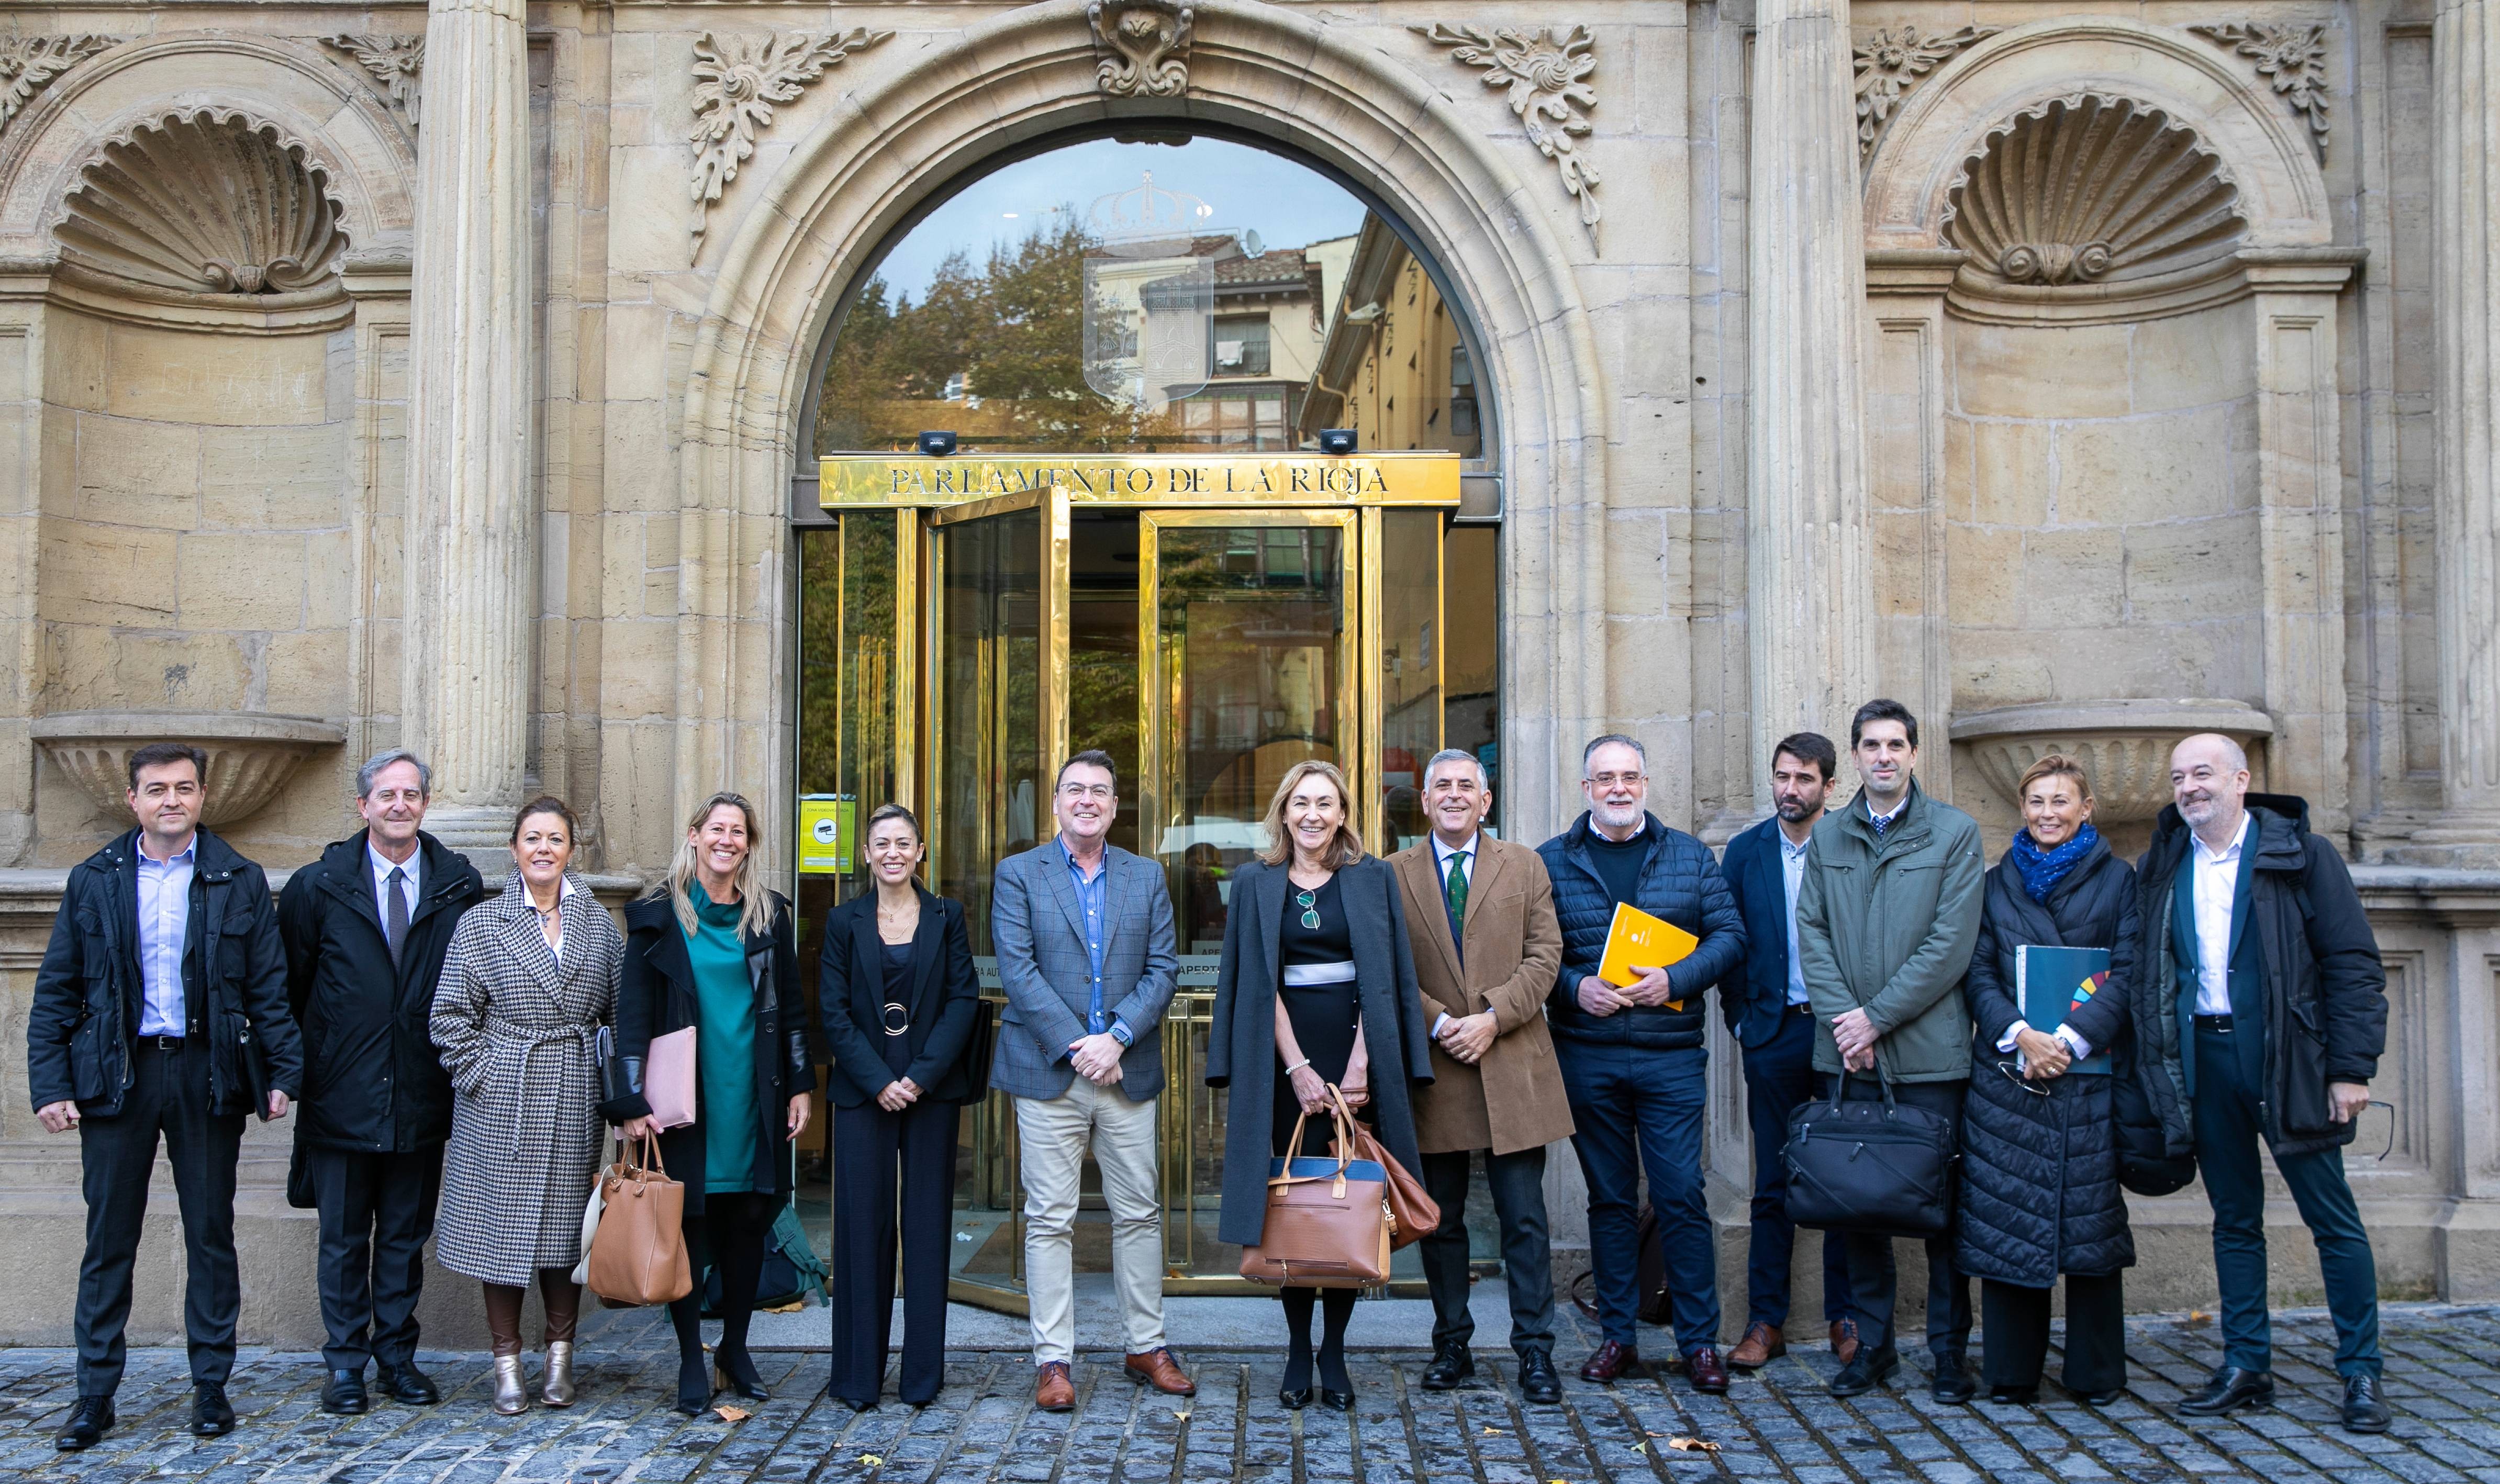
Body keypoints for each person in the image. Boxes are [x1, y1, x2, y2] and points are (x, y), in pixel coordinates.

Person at [28, 742, 303, 1452]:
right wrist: (51, 1084)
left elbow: (268, 986)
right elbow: (57, 988)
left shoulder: (238, 878)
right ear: (133, 800)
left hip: (207, 1072)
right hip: (117, 1075)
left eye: (183, 787)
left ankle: (210, 1385)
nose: (171, 800)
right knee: (107, 1238)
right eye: (156, 789)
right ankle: (95, 1395)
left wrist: (283, 1073)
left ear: (202, 796)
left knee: (210, 1232)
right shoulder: (94, 878)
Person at [2127, 734, 2391, 1433]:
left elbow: (2353, 965)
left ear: (2241, 780)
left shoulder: (2301, 855)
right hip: (2204, 1058)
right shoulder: (2164, 861)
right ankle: (2248, 1365)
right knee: (2235, 1219)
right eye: (2179, 777)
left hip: (2290, 1061)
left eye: (2203, 773)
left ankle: (2361, 1370)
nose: (2189, 787)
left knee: (2332, 1219)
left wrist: (2350, 1068)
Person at [1209, 761, 1434, 1411]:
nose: (1313, 814)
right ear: (1284, 812)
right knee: (1293, 1205)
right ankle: (1296, 1349)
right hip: (1282, 1063)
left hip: (1357, 1053)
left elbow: (1384, 976)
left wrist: (1362, 1064)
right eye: (1301, 802)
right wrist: (1297, 1068)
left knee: (1348, 1201)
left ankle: (1333, 1351)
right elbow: (1257, 982)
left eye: (1325, 803)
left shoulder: (1373, 877)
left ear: (1342, 815)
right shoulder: (1253, 881)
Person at [277, 749, 485, 1415]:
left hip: (421, 1089)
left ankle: (396, 1358)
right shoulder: (318, 886)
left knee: (403, 1235)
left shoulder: (458, 885)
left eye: (411, 795)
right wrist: (305, 1067)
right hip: (341, 1091)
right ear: (363, 804)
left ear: (425, 804)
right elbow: (291, 987)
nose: (400, 805)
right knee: (343, 1238)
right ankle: (345, 1364)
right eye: (387, 795)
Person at [1536, 734, 1745, 1394]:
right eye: (1605, 778)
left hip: (1670, 1056)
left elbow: (1731, 937)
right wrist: (1575, 988)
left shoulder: (1688, 856)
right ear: (1586, 789)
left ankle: (1699, 1343)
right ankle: (1618, 1338)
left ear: (1647, 785)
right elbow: (1531, 954)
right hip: (1587, 1055)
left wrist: (1675, 978)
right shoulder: (1550, 862)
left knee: (1681, 1195)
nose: (1618, 788)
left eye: (1629, 776)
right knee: (1610, 1200)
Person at [989, 750, 1191, 1411]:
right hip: (1051, 1069)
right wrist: (1082, 1048)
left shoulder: (1146, 876)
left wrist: (1118, 1038)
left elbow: (1163, 968)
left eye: (1099, 791)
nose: (1087, 800)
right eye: (1074, 789)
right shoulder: (1019, 874)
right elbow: (1018, 971)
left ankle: (1146, 1346)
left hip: (1126, 1069)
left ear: (1114, 806)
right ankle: (1053, 1360)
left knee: (1140, 1213)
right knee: (1050, 1219)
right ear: (1056, 803)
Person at [1795, 699, 1985, 1402]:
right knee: (1858, 1210)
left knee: (1943, 1210)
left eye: (1895, 744)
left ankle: (1948, 1352)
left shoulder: (1954, 833)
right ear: (1854, 756)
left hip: (1929, 1056)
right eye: (1871, 745)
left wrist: (1875, 1018)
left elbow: (1950, 944)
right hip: (1846, 1056)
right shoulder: (1829, 836)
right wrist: (1848, 1024)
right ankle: (1872, 1347)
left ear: (1913, 754)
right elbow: (1811, 932)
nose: (1883, 756)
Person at [615, 793, 812, 1415]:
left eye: (739, 832)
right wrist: (628, 1098)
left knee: (749, 1221)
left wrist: (801, 1084)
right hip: (684, 1098)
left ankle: (735, 1348)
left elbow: (794, 1010)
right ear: (695, 835)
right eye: (717, 829)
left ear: (749, 844)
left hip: (754, 1093)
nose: (727, 840)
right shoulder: (658, 916)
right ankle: (689, 1360)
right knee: (689, 1228)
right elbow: (632, 1014)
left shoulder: (768, 917)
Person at [429, 796, 626, 1416]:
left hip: (573, 1092)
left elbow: (621, 1014)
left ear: (572, 850)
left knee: (568, 1232)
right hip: (503, 1096)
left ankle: (561, 1359)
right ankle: (507, 1362)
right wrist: (484, 1076)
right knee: (503, 1234)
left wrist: (618, 1094)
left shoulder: (598, 924)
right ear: (514, 848)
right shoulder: (482, 923)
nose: (544, 849)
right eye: (533, 838)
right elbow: (448, 1017)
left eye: (556, 839)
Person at [1388, 749, 1570, 1404]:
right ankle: (1452, 1345)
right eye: (1442, 786)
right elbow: (1388, 967)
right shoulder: (1392, 874)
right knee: (1442, 1221)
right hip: (1436, 1068)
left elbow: (1546, 955)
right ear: (1425, 801)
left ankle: (1536, 1351)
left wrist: (1493, 1018)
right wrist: (1440, 1023)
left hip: (1512, 1060)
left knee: (1524, 1220)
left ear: (1486, 801)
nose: (1455, 795)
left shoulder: (1524, 864)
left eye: (1467, 785)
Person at [1955, 754, 2136, 1404]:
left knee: (2091, 1225)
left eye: (2061, 801)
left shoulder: (2119, 881)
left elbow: (2131, 969)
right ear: (2022, 809)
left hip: (2086, 1073)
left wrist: (2070, 1040)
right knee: (2008, 1217)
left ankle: (2095, 1373)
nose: (2047, 813)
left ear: (2086, 809)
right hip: (2010, 1074)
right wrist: (2020, 1034)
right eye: (2036, 801)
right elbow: (1977, 971)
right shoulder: (1996, 882)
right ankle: (2011, 1372)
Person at [819, 803, 981, 1411]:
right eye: (882, 843)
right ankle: (858, 1377)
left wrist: (918, 1076)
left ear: (920, 853)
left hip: (929, 1091)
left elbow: (963, 1000)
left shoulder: (947, 916)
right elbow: (833, 1011)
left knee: (927, 1226)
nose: (893, 852)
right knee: (863, 1229)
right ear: (867, 854)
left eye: (903, 843)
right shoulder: (844, 921)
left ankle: (921, 1378)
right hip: (863, 1093)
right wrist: (878, 1081)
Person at [1712, 733, 1857, 1372]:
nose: (1790, 789)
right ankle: (1766, 1321)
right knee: (1772, 1183)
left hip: (1843, 1034)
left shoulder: (1850, 845)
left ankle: (1848, 1316)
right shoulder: (1746, 852)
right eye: (1782, 777)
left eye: (1803, 779)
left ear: (1829, 786)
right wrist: (1742, 1019)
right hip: (1772, 1033)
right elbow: (1726, 938)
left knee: (1848, 1181)